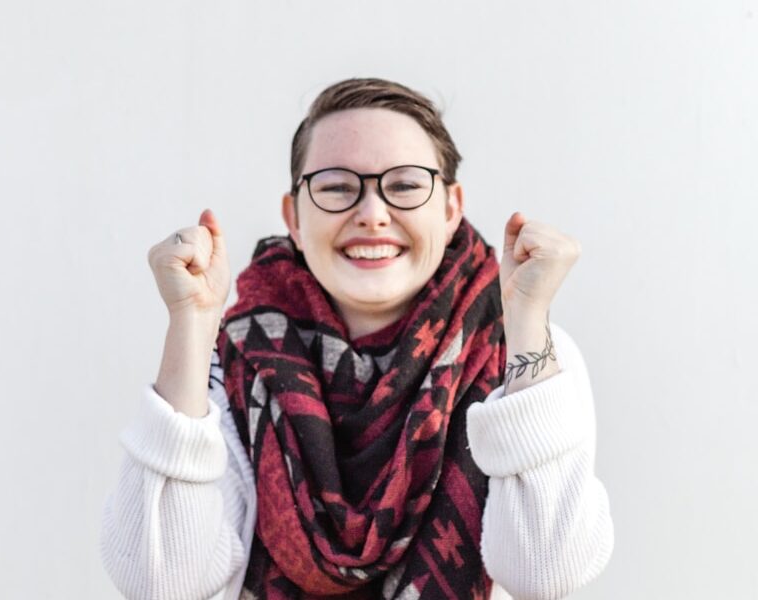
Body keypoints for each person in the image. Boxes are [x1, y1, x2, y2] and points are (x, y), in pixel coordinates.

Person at [100, 78, 614, 600]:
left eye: (407, 185)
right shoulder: (231, 362)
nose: (371, 213)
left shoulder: (531, 358)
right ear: (294, 217)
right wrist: (191, 322)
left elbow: (548, 571)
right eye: (336, 187)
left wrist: (524, 317)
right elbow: (159, 582)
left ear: (451, 207)